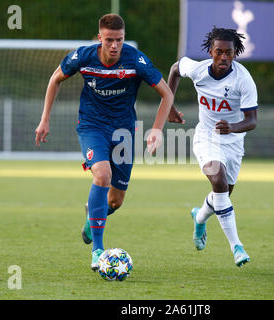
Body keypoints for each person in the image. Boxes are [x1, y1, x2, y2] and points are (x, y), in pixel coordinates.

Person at [35, 14, 173, 271]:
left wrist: (156, 129)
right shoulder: (83, 57)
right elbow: (55, 79)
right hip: (92, 125)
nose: (114, 46)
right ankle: (97, 250)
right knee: (102, 175)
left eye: (119, 40)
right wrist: (45, 120)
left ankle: (92, 216)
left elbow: (167, 93)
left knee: (115, 201)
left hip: (123, 132)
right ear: (100, 38)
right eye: (109, 40)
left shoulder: (136, 60)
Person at [167, 27, 258, 267]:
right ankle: (236, 246)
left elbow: (252, 121)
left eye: (229, 52)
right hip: (206, 137)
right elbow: (175, 69)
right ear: (211, 52)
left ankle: (199, 218)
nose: (224, 57)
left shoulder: (243, 79)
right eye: (219, 52)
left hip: (233, 141)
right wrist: (169, 104)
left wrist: (233, 127)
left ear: (235, 53)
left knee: (223, 194)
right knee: (216, 177)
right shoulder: (198, 69)